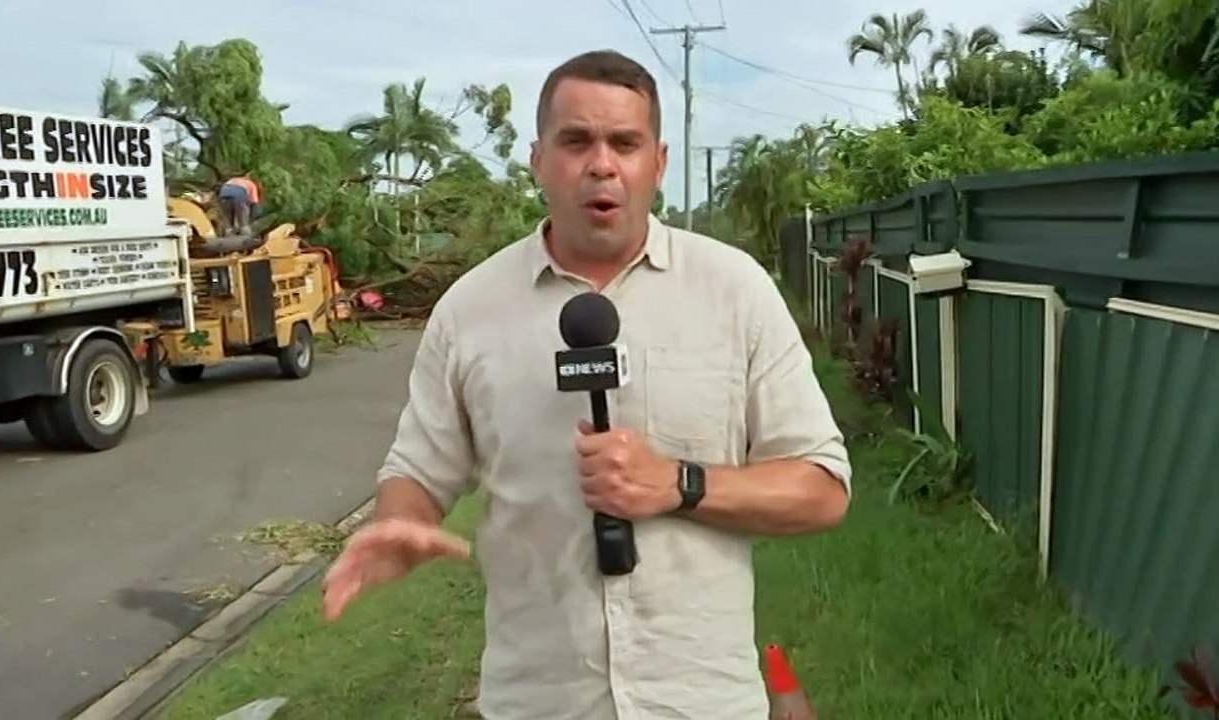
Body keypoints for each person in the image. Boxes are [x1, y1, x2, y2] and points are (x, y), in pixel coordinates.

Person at [321, 49, 852, 719]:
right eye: (576, 141)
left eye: (624, 143)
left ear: (656, 164)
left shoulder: (735, 291)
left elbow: (822, 489)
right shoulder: (469, 310)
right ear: (539, 159)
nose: (601, 163)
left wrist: (677, 484)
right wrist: (401, 520)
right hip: (538, 700)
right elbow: (420, 470)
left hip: (700, 699)